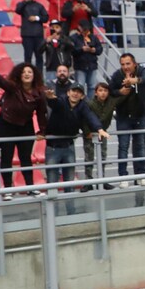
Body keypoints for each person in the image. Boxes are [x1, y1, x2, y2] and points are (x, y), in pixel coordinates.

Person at [0, 60, 48, 196]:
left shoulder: (39, 93)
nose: (26, 74)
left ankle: (30, 187)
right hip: (6, 124)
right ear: (19, 74)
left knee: (26, 158)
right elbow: (2, 83)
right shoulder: (13, 86)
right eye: (24, 72)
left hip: (25, 125)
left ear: (34, 75)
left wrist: (42, 130)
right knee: (7, 158)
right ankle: (7, 190)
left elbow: (41, 113)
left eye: (29, 72)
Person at [44, 82, 107, 212]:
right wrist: (50, 98)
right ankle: (52, 213)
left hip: (69, 147)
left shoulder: (83, 106)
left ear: (82, 96)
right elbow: (55, 103)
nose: (75, 93)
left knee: (70, 182)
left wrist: (99, 129)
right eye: (73, 90)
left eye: (79, 92)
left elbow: (90, 117)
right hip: (53, 147)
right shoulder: (61, 101)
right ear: (68, 92)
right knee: (52, 182)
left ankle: (70, 212)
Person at [109, 52, 145, 187]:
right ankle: (123, 176)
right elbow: (110, 91)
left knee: (140, 146)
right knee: (123, 147)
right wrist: (120, 92)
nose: (125, 67)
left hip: (140, 115)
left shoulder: (142, 71)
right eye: (123, 64)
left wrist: (136, 81)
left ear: (134, 63)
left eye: (128, 64)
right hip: (123, 117)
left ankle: (141, 175)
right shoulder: (117, 75)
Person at [85, 82, 118, 185]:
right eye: (100, 90)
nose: (103, 93)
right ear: (95, 93)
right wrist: (87, 133)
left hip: (103, 133)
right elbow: (84, 119)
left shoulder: (111, 103)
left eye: (105, 91)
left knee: (103, 156)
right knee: (89, 157)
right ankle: (88, 182)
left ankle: (102, 180)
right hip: (90, 133)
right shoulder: (90, 104)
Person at [16, 0, 49, 68]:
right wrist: (25, 2)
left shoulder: (39, 6)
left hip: (38, 35)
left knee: (39, 58)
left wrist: (37, 18)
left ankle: (39, 77)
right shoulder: (21, 5)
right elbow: (18, 10)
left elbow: (46, 17)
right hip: (27, 35)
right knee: (27, 58)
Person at [69, 19, 103, 92]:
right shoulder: (74, 37)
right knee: (80, 86)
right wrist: (81, 49)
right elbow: (71, 50)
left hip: (92, 65)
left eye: (87, 29)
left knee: (92, 86)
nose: (85, 31)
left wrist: (94, 50)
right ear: (79, 27)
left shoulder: (93, 37)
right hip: (80, 66)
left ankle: (90, 102)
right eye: (84, 29)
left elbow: (100, 49)